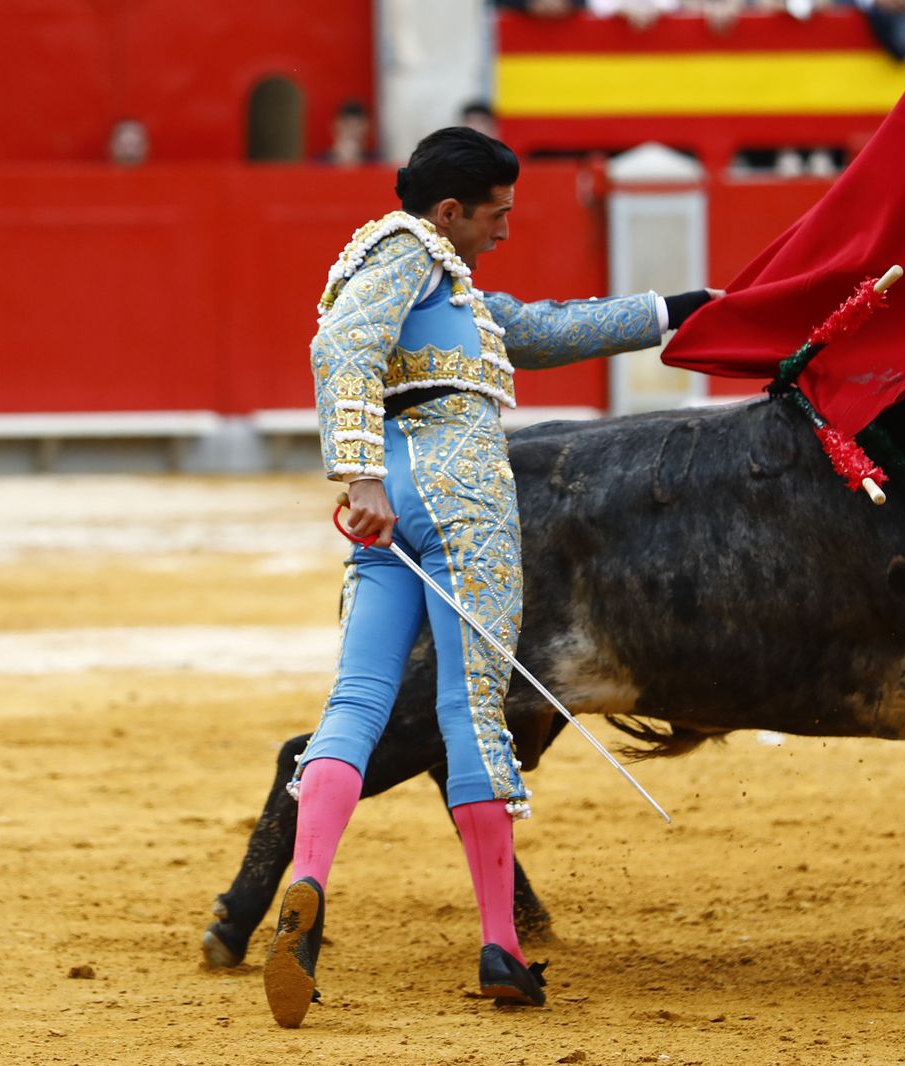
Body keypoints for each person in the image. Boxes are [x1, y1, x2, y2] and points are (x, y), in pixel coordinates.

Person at [265, 126, 716, 1029]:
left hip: (392, 502)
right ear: (448, 211)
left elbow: (544, 329)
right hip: (457, 492)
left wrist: (681, 309)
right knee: (471, 709)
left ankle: (307, 882)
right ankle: (500, 944)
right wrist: (353, 471)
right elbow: (340, 349)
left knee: (356, 700)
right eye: (495, 214)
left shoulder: (444, 283)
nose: (505, 229)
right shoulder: (409, 252)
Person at [321, 99, 378, 166]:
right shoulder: (318, 165)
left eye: (358, 125)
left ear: (367, 128)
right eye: (347, 125)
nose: (352, 131)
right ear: (335, 127)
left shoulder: (377, 163)